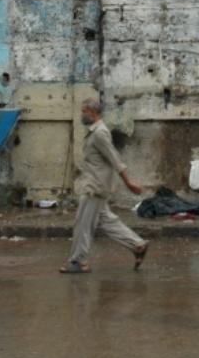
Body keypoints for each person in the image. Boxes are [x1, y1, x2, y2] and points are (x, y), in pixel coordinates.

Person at [61, 99, 151, 274]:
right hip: (95, 184)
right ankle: (138, 245)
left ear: (93, 113)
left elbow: (115, 159)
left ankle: (79, 261)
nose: (81, 115)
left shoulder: (100, 133)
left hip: (94, 187)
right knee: (107, 221)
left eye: (83, 111)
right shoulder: (95, 132)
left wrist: (128, 182)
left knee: (83, 225)